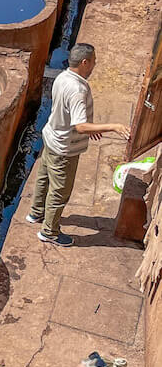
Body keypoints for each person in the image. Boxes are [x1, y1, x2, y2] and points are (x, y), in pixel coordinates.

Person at [27, 42, 130, 246]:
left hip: (52, 137)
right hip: (64, 148)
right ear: (84, 62)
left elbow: (70, 116)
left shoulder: (63, 77)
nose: (94, 65)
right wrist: (113, 127)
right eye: (93, 61)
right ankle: (49, 232)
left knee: (44, 177)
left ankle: (36, 213)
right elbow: (80, 126)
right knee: (60, 192)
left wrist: (92, 128)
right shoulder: (78, 89)